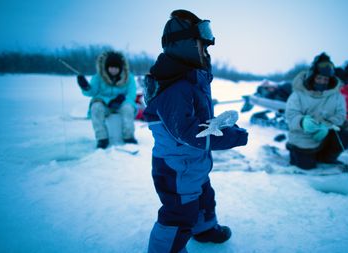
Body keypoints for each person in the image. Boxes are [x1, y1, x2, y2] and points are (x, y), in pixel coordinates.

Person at [143, 10, 248, 253]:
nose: (206, 54)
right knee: (180, 214)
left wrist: (221, 124)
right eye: (203, 47)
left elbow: (199, 122)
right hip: (176, 167)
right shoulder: (175, 88)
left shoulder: (189, 80)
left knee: (203, 198)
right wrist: (232, 136)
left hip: (192, 163)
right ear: (186, 46)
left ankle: (204, 229)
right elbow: (189, 132)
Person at [285, 52, 348, 170]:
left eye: (325, 79)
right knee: (307, 167)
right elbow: (291, 116)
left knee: (345, 136)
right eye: (319, 78)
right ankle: (295, 152)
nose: (322, 81)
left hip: (325, 135)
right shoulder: (298, 94)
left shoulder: (337, 96)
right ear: (312, 77)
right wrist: (302, 122)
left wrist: (326, 125)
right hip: (302, 137)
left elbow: (341, 115)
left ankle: (326, 158)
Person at [76, 51, 138, 149]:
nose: (113, 70)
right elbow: (92, 92)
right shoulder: (98, 77)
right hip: (104, 104)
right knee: (95, 108)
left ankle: (128, 137)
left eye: (116, 67)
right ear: (106, 67)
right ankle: (102, 139)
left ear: (120, 68)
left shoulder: (129, 77)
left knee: (128, 109)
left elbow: (132, 94)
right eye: (111, 67)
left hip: (122, 104)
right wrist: (85, 87)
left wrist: (123, 100)